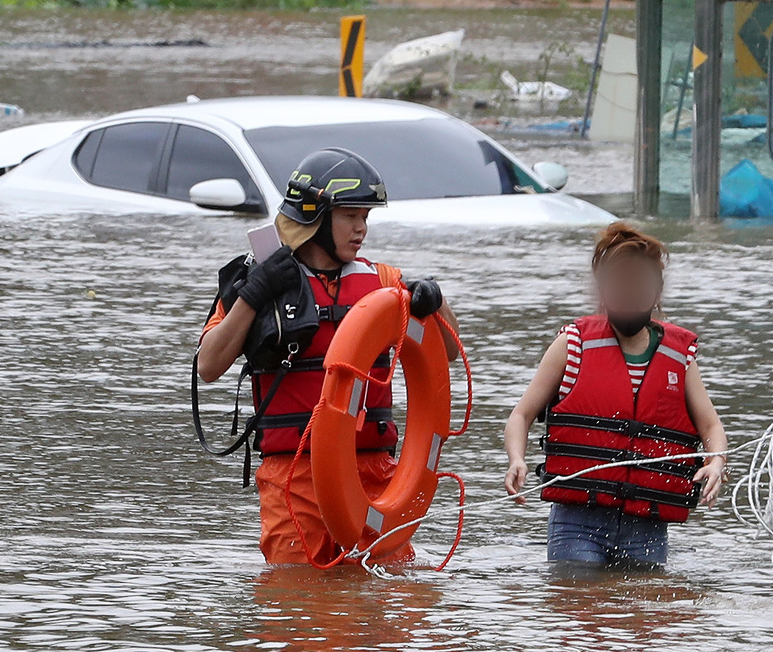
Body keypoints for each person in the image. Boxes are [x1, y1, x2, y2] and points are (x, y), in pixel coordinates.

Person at [197, 148, 459, 566]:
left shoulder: (383, 282)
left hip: (374, 474)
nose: (362, 229)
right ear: (315, 217)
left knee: (385, 612)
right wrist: (253, 294)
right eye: (350, 216)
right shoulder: (258, 281)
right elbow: (208, 366)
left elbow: (446, 353)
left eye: (366, 218)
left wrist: (436, 300)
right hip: (296, 477)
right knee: (300, 610)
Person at [503, 222, 728, 568]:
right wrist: (516, 459)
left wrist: (716, 462)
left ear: (656, 294)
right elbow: (521, 415)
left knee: (642, 617)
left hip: (646, 528)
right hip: (578, 524)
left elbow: (711, 426)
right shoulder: (573, 344)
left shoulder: (679, 358)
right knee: (576, 608)